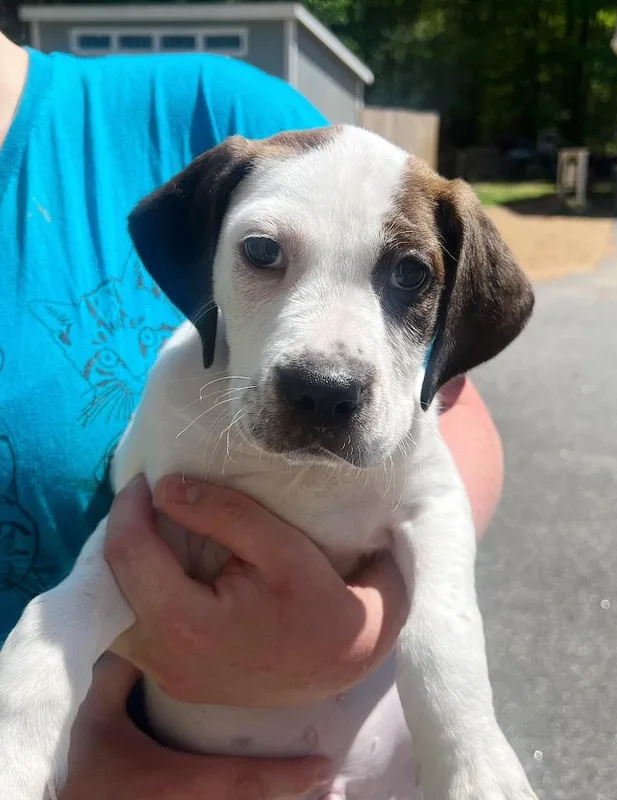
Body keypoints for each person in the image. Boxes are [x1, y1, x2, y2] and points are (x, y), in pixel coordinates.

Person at [0, 32, 505, 798]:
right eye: (265, 256)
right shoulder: (177, 403)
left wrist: (444, 706)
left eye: (407, 274)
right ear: (203, 254)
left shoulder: (219, 106)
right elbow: (118, 561)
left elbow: (436, 495)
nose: (332, 368)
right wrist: (66, 732)